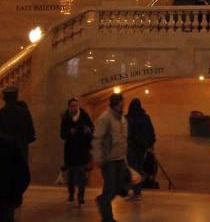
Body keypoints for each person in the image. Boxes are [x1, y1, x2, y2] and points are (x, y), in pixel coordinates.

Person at [0, 86, 36, 208]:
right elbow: (31, 135)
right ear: (17, 97)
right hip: (21, 150)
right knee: (19, 175)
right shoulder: (24, 114)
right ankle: (17, 199)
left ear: (4, 99)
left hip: (2, 152)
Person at [92, 93, 129, 222]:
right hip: (108, 160)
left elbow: (123, 139)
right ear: (116, 103)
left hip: (120, 158)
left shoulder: (122, 118)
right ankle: (107, 217)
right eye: (121, 102)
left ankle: (102, 200)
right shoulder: (105, 118)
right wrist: (98, 157)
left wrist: (125, 157)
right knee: (110, 187)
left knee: (120, 186)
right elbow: (97, 139)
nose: (123, 104)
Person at [60, 97, 94, 205]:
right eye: (73, 105)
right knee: (71, 173)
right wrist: (70, 132)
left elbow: (92, 127)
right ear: (69, 107)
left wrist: (88, 130)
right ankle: (71, 193)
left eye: (76, 105)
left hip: (82, 148)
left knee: (81, 173)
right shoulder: (66, 118)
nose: (75, 107)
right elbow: (62, 134)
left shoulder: (84, 115)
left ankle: (81, 196)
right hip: (70, 149)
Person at [125, 98, 156, 201]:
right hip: (142, 148)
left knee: (134, 169)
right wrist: (150, 144)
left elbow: (127, 134)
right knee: (138, 167)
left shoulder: (128, 118)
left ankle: (136, 192)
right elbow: (151, 132)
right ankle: (137, 192)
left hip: (131, 147)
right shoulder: (145, 117)